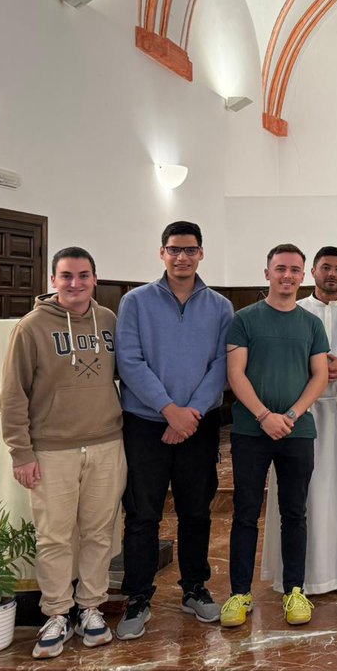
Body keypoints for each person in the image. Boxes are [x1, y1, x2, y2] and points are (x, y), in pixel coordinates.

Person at [1, 246, 125, 659]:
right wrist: (21, 452)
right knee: (54, 535)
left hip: (106, 442)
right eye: (67, 276)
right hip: (52, 449)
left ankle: (91, 607)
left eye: (83, 275)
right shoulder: (31, 327)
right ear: (53, 280)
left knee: (98, 531)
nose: (75, 283)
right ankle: (56, 612)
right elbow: (13, 394)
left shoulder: (108, 320)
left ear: (95, 279)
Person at [115, 221, 233, 640]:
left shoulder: (220, 306)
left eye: (190, 249)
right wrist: (169, 411)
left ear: (201, 253)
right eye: (174, 249)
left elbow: (222, 365)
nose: (182, 257)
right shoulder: (135, 301)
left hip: (198, 425)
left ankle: (195, 588)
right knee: (143, 514)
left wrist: (190, 414)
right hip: (146, 424)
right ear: (161, 252)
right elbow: (129, 361)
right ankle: (138, 596)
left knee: (196, 511)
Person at [222, 244, 329, 628]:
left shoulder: (311, 324)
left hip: (297, 431)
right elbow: (235, 374)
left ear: (303, 276)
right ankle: (239, 593)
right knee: (246, 512)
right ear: (267, 273)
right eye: (280, 268)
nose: (287, 275)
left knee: (295, 512)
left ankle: (295, 591)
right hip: (251, 430)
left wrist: (291, 415)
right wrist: (264, 416)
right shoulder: (244, 319)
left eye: (295, 270)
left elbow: (319, 375)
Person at [262, 246, 337, 596]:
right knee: (303, 497)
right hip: (300, 417)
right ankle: (300, 573)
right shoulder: (293, 312)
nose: (332, 274)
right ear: (312, 272)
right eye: (325, 267)